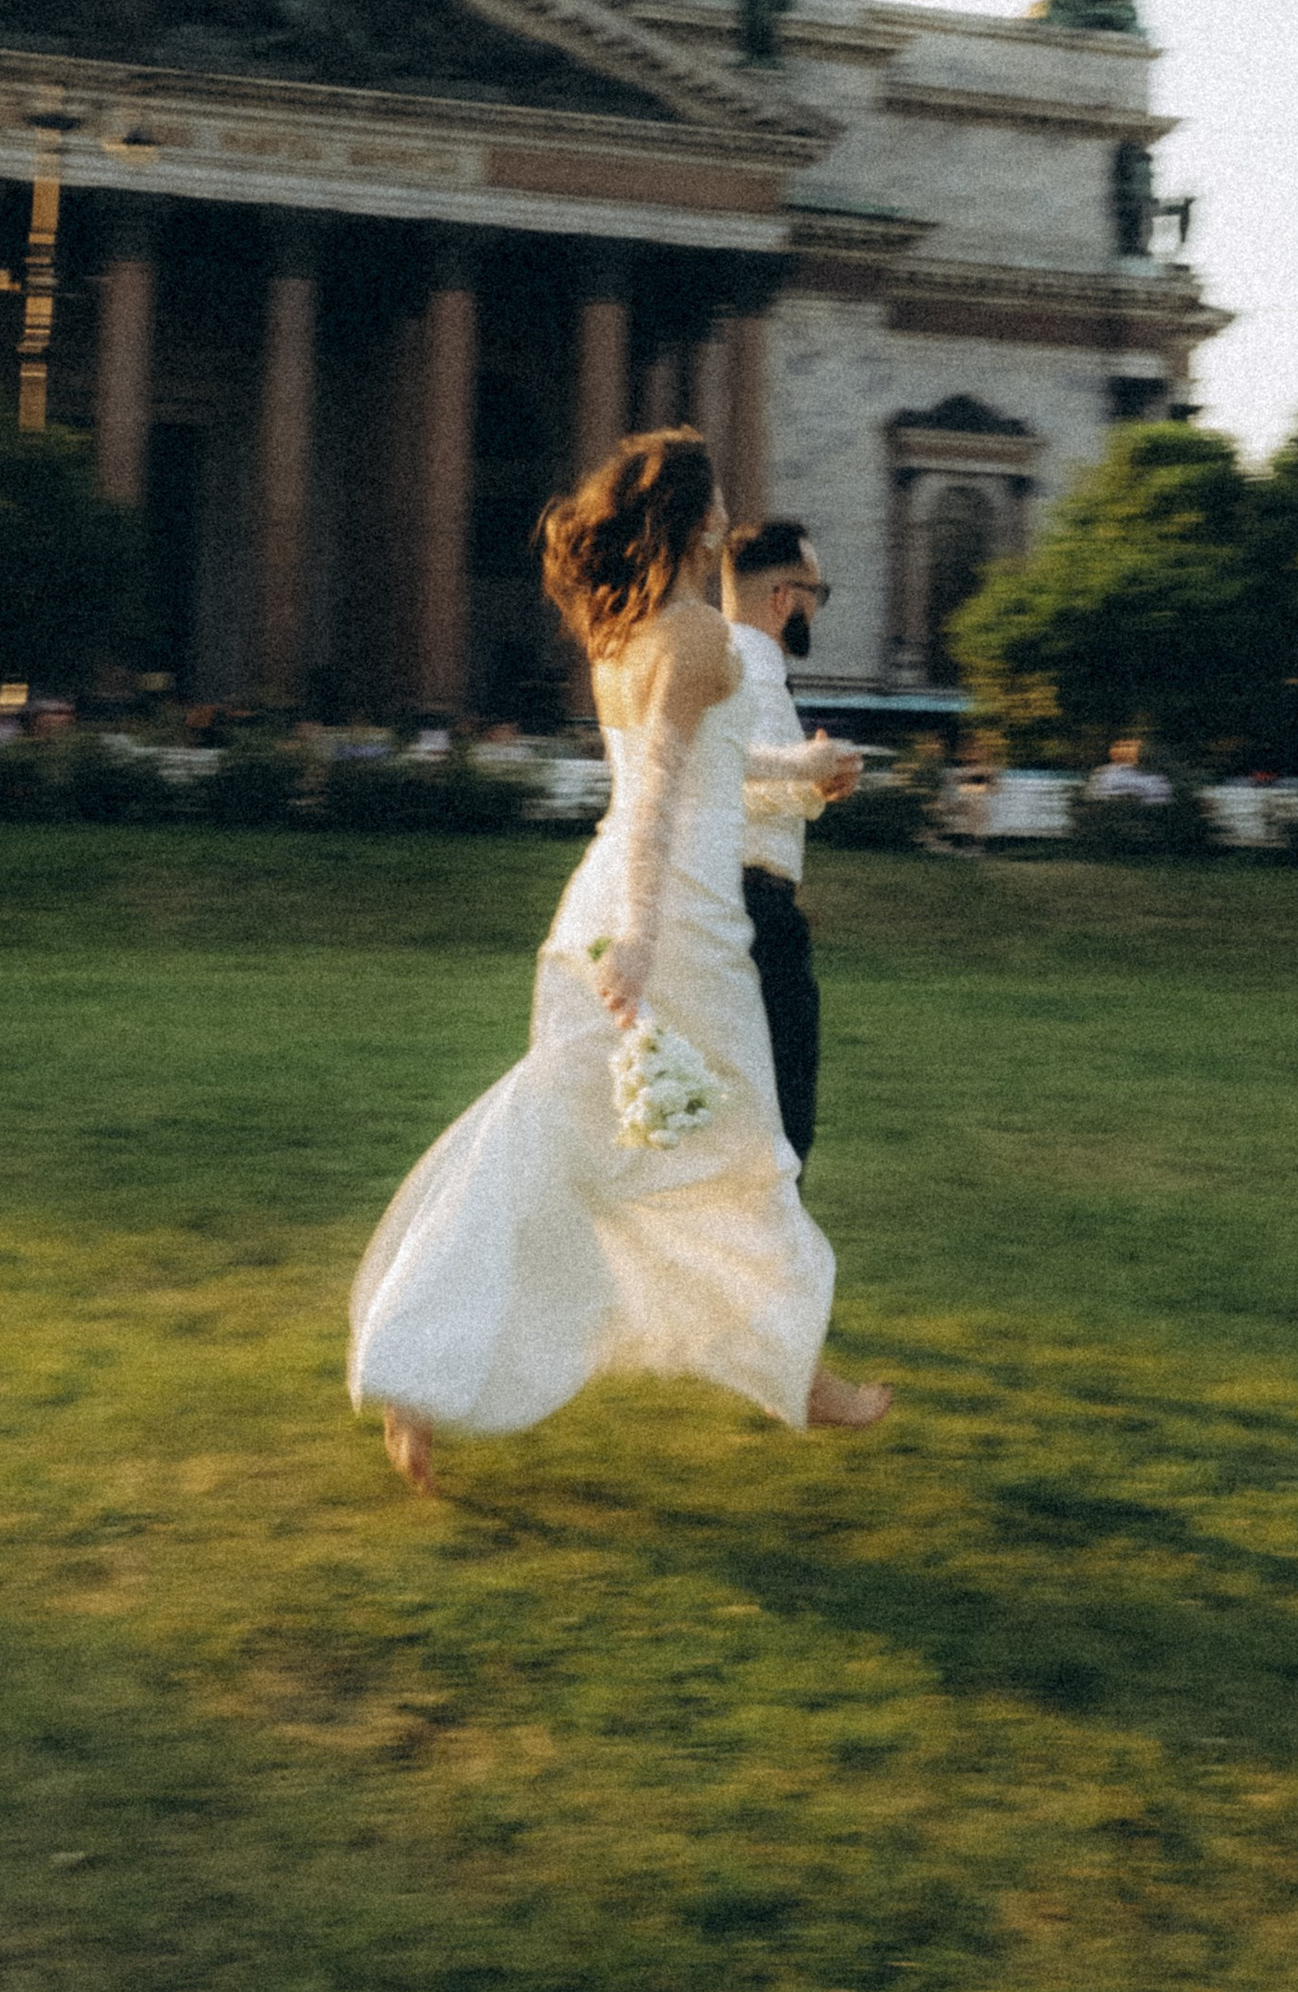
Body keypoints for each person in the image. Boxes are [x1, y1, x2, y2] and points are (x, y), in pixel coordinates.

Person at [348, 427, 891, 1494]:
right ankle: (802, 1377)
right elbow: (654, 803)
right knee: (741, 1151)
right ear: (691, 524)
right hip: (672, 920)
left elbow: (699, 771)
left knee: (550, 1141)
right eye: (718, 505)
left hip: (615, 908)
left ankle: (421, 1372)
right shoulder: (694, 637)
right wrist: (642, 938)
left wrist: (804, 766)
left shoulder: (626, 638)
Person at [720, 520, 863, 1172]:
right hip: (756, 908)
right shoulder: (744, 667)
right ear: (784, 596)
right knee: (782, 1120)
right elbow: (721, 767)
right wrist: (809, 767)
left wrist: (814, 783)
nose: (815, 607)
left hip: (749, 901)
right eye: (816, 592)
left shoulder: (747, 667)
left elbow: (750, 786)